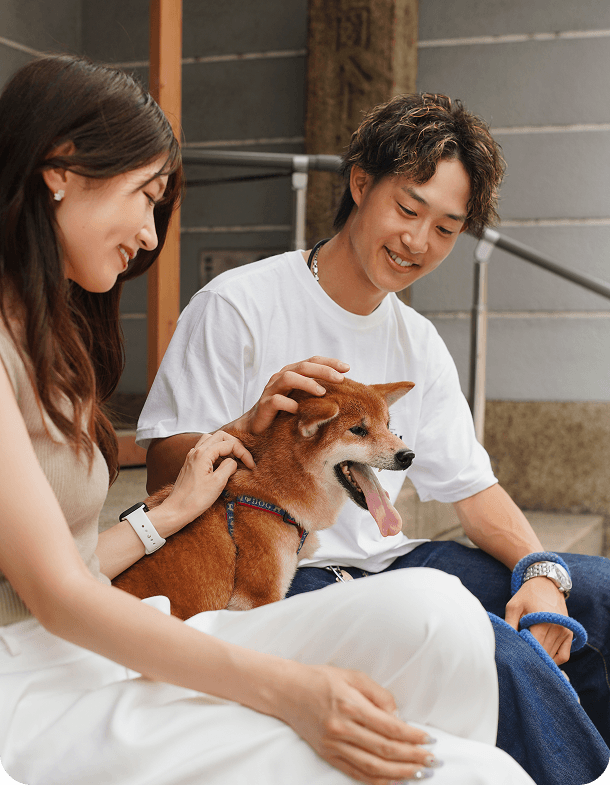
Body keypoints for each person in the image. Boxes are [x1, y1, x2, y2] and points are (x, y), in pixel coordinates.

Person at [0, 55, 536, 785]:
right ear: (59, 171)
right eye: (145, 195)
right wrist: (286, 691)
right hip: (36, 685)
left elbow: (69, 564)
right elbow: (56, 597)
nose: (153, 236)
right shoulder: (234, 303)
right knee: (477, 771)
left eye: (445, 227)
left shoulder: (48, 343)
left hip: (89, 636)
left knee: (443, 610)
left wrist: (169, 512)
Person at [139, 93, 610, 785]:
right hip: (286, 576)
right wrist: (252, 429)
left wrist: (543, 572)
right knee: (494, 651)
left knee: (596, 592)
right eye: (408, 209)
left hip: (395, 562)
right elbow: (162, 458)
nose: (419, 242)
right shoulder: (238, 303)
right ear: (361, 183)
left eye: (447, 229)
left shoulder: (417, 341)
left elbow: (471, 488)